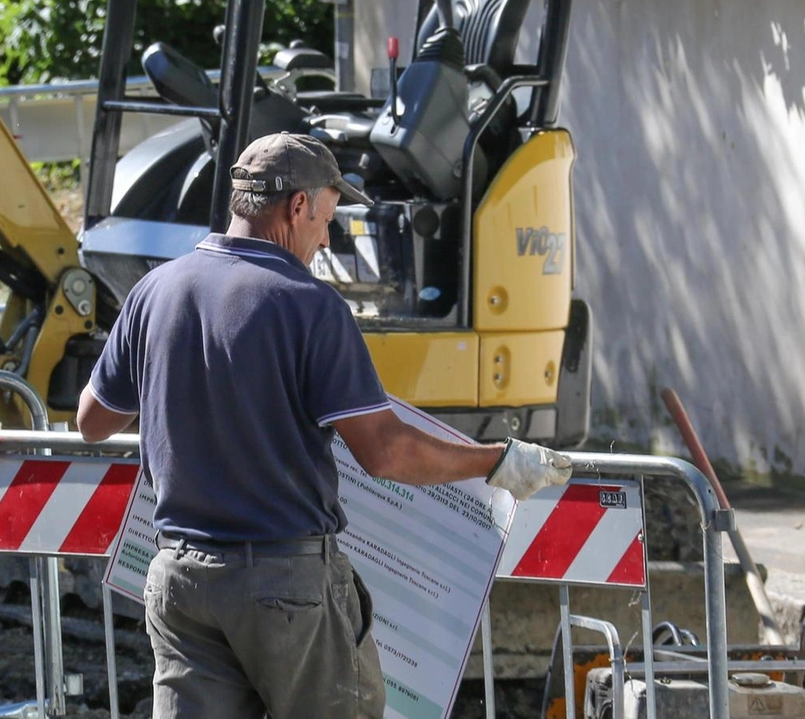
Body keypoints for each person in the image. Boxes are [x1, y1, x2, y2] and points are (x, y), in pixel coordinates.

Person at [77, 132, 572, 719]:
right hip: (282, 584)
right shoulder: (309, 306)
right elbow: (385, 453)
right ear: (297, 207)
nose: (326, 236)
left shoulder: (154, 292)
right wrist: (493, 462)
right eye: (328, 217)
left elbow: (92, 420)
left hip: (181, 579)